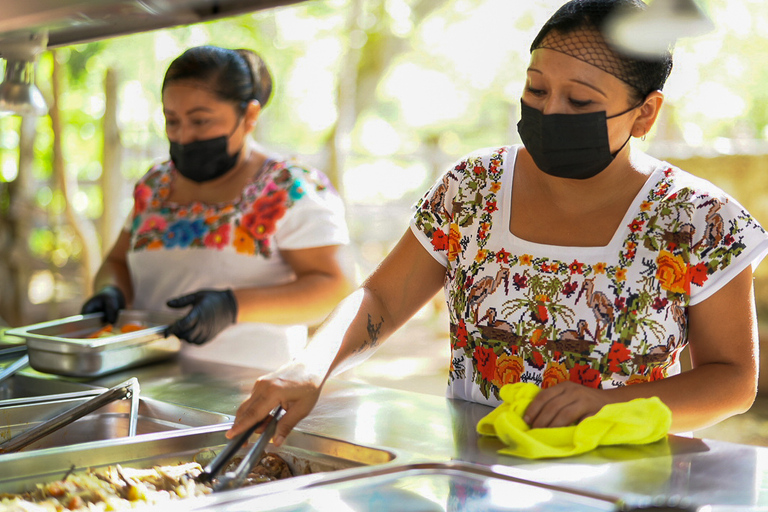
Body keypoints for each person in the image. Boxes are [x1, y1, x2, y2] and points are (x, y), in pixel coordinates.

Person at [227, 0, 768, 446]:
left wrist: (605, 405)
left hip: (624, 484)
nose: (550, 111)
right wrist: (310, 366)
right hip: (473, 472)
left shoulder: (699, 219)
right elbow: (381, 302)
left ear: (645, 114)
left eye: (580, 100)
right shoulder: (474, 186)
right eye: (536, 90)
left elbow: (732, 380)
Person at [81, 45, 351, 370]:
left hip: (250, 391)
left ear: (249, 116)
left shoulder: (289, 189)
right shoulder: (154, 186)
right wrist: (111, 291)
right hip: (143, 381)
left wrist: (233, 306)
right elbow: (117, 261)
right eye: (172, 121)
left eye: (200, 121)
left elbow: (336, 288)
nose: (183, 137)